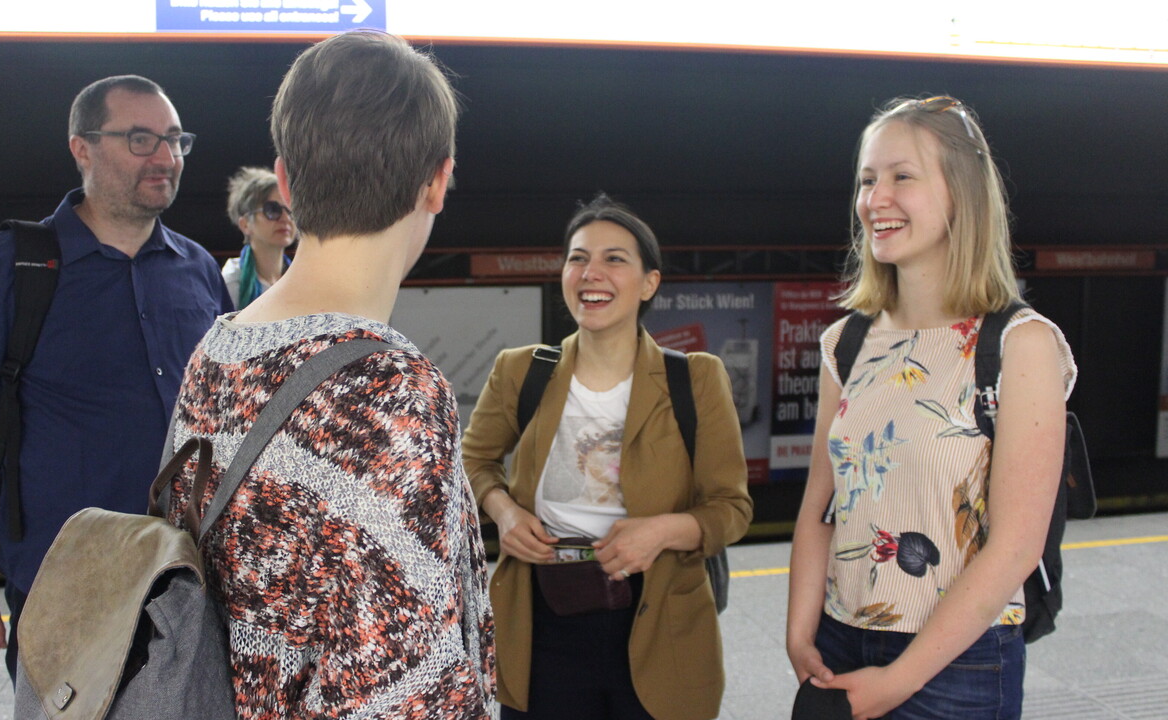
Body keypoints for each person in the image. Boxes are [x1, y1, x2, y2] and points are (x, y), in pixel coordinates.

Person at [161, 30, 495, 718]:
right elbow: (406, 691)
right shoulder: (392, 391)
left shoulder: (216, 354)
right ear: (437, 181)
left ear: (285, 178)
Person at [0, 75, 232, 678]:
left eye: (174, 139)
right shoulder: (17, 264)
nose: (165, 158)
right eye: (140, 139)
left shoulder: (198, 271)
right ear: (82, 148)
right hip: (70, 594)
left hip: (197, 589)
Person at [785, 96, 1077, 720]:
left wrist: (898, 681)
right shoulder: (849, 340)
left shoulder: (1019, 344)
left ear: (962, 194)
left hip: (959, 661)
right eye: (867, 180)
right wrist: (799, 631)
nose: (874, 199)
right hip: (837, 640)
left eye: (902, 176)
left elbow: (1016, 548)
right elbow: (821, 505)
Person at [462, 193, 753, 720]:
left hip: (660, 620)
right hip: (543, 620)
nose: (591, 272)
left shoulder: (696, 379)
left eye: (614, 259)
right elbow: (472, 462)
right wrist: (504, 514)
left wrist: (661, 532)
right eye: (578, 258)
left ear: (649, 283)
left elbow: (730, 509)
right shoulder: (521, 372)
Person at [221, 166, 296, 309]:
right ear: (245, 224)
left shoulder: (302, 281)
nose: (286, 218)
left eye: (290, 209)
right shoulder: (231, 282)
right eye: (272, 210)